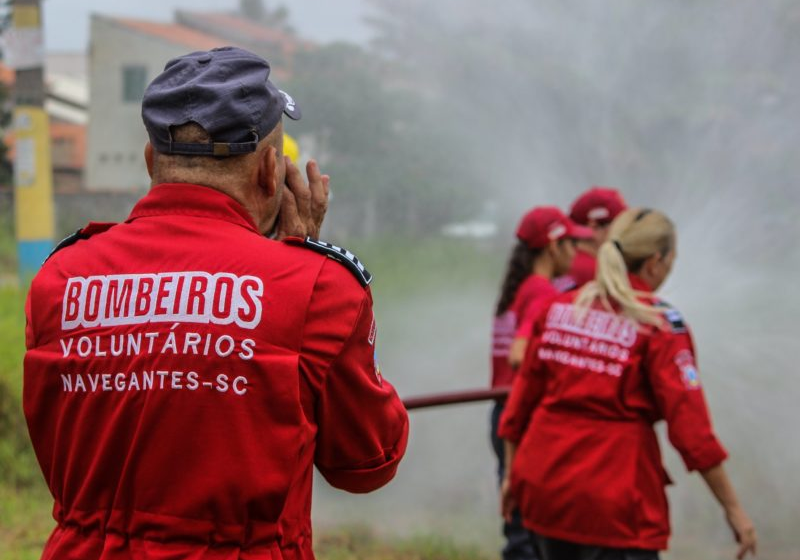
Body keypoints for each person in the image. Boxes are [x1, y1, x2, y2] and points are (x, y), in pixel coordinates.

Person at [23, 46, 409, 560]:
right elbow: (367, 464)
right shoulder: (318, 288)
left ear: (149, 161)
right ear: (272, 170)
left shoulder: (60, 276)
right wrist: (299, 259)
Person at [498, 208, 757, 560]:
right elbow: (692, 432)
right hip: (615, 500)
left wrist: (512, 476)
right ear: (655, 261)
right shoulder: (661, 325)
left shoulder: (560, 308)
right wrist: (734, 509)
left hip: (545, 490)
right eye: (672, 260)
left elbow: (519, 406)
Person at [490, 206, 593, 560]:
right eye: (571, 245)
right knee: (526, 537)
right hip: (522, 419)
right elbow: (520, 354)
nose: (576, 254)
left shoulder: (521, 289)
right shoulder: (542, 294)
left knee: (521, 528)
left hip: (505, 414)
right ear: (553, 247)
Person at [552, 186, 627, 293]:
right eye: (620, 225)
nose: (624, 232)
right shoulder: (597, 271)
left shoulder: (556, 261)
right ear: (594, 226)